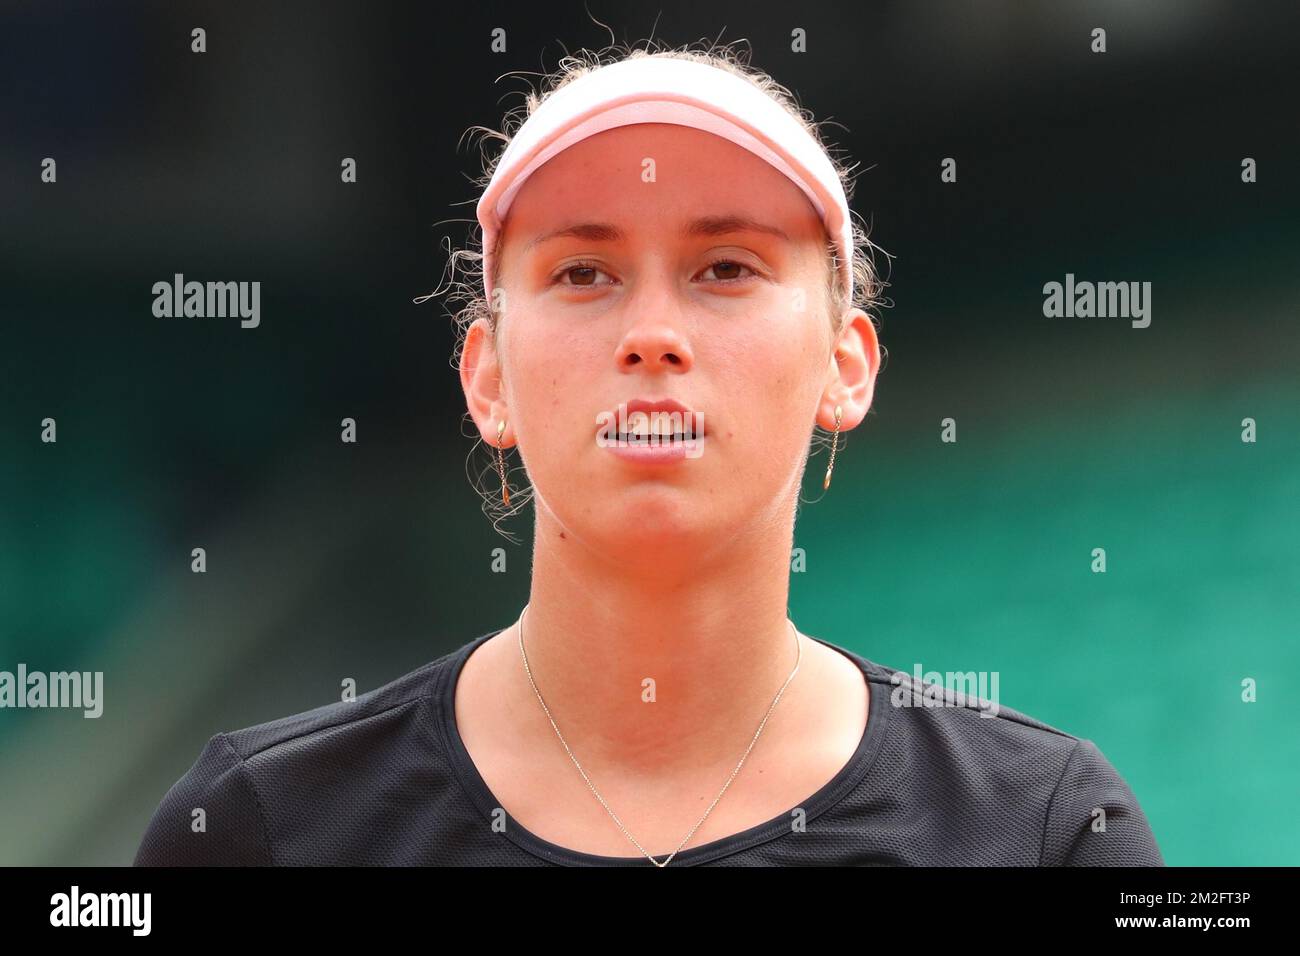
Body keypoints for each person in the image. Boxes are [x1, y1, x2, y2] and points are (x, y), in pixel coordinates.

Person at [134, 42, 1163, 867]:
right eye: (583, 271)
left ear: (844, 365)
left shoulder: (1041, 829)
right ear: (486, 376)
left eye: (725, 266)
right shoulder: (260, 826)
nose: (652, 332)